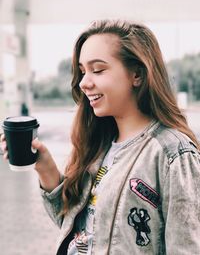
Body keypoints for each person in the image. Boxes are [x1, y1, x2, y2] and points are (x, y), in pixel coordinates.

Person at [1, 19, 200, 255]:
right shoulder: (99, 145)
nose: (84, 83)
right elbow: (79, 232)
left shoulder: (173, 154)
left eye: (98, 70)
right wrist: (46, 170)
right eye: (83, 71)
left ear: (136, 74)